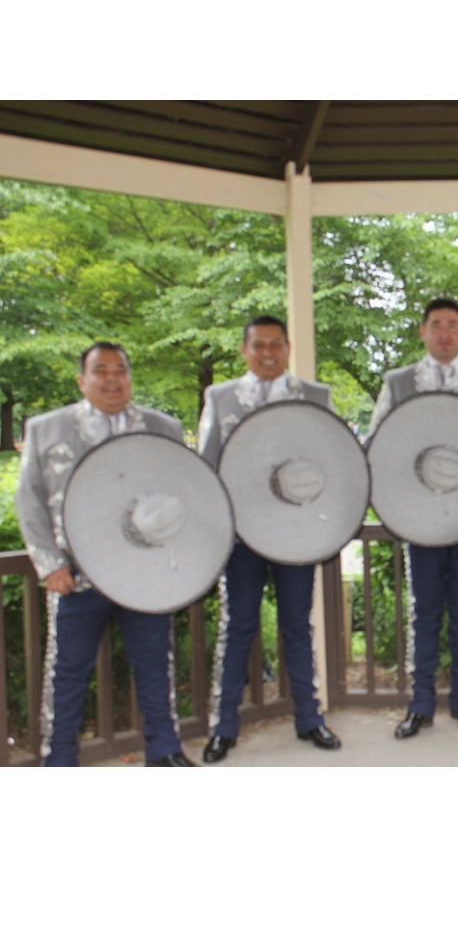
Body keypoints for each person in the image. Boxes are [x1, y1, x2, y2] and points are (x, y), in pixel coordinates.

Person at [15, 343, 195, 767]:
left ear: (130, 377)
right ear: (83, 380)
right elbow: (30, 502)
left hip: (145, 572)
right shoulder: (46, 428)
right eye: (101, 371)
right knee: (68, 672)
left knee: (154, 663)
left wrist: (177, 563)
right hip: (75, 575)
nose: (112, 379)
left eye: (121, 370)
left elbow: (185, 494)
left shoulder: (163, 427)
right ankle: (58, 757)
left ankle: (164, 750)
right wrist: (49, 563)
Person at [367, 298, 458, 739]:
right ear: (423, 332)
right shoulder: (399, 382)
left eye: (453, 325)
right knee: (425, 610)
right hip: (421, 517)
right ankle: (420, 704)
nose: (445, 333)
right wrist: (393, 509)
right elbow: (378, 446)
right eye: (437, 325)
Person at [199, 316, 341, 763]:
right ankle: (223, 727)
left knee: (298, 626)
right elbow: (207, 467)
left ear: (288, 347)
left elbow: (332, 462)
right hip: (241, 537)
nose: (267, 353)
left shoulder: (315, 397)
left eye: (275, 345)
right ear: (244, 349)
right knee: (237, 626)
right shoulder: (219, 398)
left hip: (296, 534)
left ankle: (310, 718)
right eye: (258, 345)